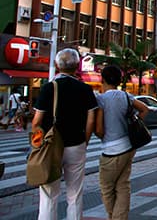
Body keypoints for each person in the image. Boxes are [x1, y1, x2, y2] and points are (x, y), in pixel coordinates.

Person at [31, 48, 98, 220]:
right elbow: (91, 119)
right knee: (75, 193)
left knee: (48, 194)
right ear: (77, 66)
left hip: (51, 145)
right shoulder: (85, 89)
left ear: (57, 65)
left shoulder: (48, 88)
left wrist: (37, 144)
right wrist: (85, 140)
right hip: (76, 143)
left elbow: (36, 122)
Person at [95, 65, 149, 220]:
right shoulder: (126, 96)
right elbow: (145, 109)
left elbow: (99, 130)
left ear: (103, 79)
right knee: (123, 185)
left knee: (107, 187)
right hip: (128, 146)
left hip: (111, 150)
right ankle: (120, 217)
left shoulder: (101, 99)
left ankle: (115, 217)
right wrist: (134, 125)